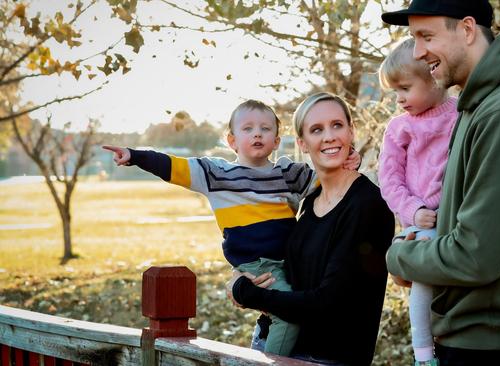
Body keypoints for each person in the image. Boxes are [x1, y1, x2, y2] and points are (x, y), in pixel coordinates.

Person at [381, 1, 500, 365]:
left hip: (495, 346)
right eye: (413, 38)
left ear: (467, 30)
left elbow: (475, 257)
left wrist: (397, 256)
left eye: (426, 36)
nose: (418, 52)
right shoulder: (477, 106)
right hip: (476, 338)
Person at [102, 99, 360, 356]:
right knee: (287, 316)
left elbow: (329, 179)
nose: (257, 133)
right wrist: (135, 156)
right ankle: (273, 363)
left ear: (277, 141)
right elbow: (174, 166)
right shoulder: (217, 175)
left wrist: (350, 158)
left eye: (265, 128)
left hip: (291, 262)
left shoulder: (288, 172)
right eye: (247, 128)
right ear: (232, 140)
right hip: (259, 266)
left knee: (299, 306)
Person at [227, 92, 394, 365]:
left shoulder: (368, 205)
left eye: (337, 125)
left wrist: (245, 293)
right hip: (273, 345)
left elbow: (328, 303)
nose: (329, 136)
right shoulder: (310, 201)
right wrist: (242, 274)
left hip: (328, 358)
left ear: (351, 132)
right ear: (303, 143)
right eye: (317, 130)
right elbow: (287, 272)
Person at [377, 37, 458, 366]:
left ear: (433, 76)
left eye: (405, 89)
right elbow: (390, 180)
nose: (398, 100)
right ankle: (424, 355)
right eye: (394, 92)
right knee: (423, 280)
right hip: (422, 222)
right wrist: (414, 211)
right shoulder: (400, 128)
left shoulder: (462, 114)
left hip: (458, 218)